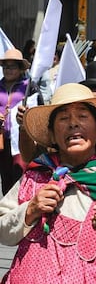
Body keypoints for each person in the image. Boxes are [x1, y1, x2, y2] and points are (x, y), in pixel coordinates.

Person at [0, 83, 96, 283]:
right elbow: (3, 232)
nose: (73, 124)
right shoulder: (36, 176)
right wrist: (30, 210)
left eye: (82, 117)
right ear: (53, 135)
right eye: (64, 118)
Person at [0, 48, 43, 196]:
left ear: (20, 69)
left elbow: (38, 111)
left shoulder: (29, 87)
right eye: (5, 66)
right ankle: (6, 210)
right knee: (5, 175)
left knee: (20, 173)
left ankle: (20, 205)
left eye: (12, 67)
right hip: (2, 140)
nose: (8, 70)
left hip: (21, 140)